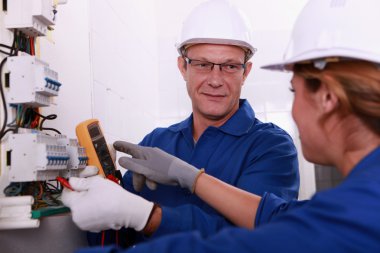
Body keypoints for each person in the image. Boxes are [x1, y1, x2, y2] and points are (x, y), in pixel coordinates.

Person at [67, 0, 380, 252]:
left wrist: (145, 215)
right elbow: (275, 215)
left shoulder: (273, 147)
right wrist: (99, 199)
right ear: (183, 67)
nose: (215, 79)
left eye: (229, 66)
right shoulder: (156, 144)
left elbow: (257, 238)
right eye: (203, 64)